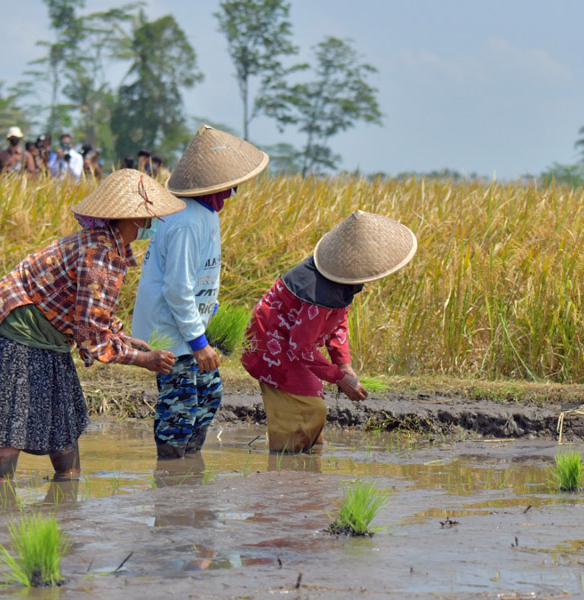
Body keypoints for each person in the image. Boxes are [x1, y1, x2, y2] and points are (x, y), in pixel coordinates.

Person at [0, 169, 184, 480]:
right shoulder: (101, 255)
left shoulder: (107, 245)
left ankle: (67, 495)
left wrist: (122, 337)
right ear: (134, 220)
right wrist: (143, 360)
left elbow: (92, 313)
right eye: (151, 216)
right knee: (13, 421)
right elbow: (90, 338)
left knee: (62, 417)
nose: (154, 223)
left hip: (48, 332)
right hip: (19, 329)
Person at [131, 125, 269, 459]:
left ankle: (188, 470)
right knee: (178, 410)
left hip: (187, 328)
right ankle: (171, 481)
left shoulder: (205, 214)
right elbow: (177, 289)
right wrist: (198, 342)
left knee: (208, 396)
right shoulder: (187, 221)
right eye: (230, 186)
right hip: (170, 332)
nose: (234, 191)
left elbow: (199, 277)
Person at [241, 210, 418, 453]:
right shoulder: (320, 289)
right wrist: (339, 378)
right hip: (272, 342)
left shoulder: (342, 279)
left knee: (312, 408)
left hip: (292, 342)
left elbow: (338, 321)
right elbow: (300, 346)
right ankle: (283, 470)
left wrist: (343, 364)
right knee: (309, 408)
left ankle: (307, 461)